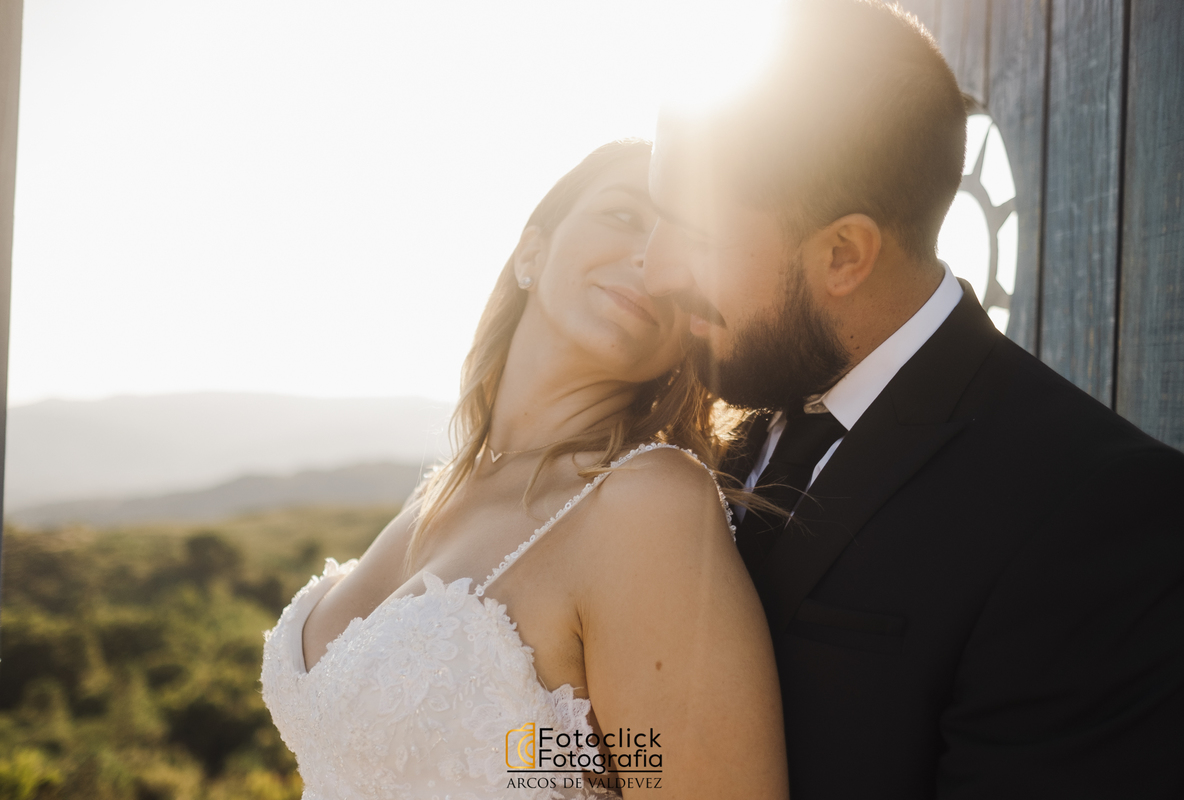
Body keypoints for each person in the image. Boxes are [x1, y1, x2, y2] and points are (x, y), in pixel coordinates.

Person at [642, 1, 1184, 798]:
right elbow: (632, 747)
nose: (656, 272)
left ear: (844, 253)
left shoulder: (1098, 514)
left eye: (697, 238)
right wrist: (512, 760)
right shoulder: (702, 429)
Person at [260, 139, 789, 799]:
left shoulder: (648, 505)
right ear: (532, 250)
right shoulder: (444, 488)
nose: (650, 258)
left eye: (682, 247)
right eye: (624, 216)